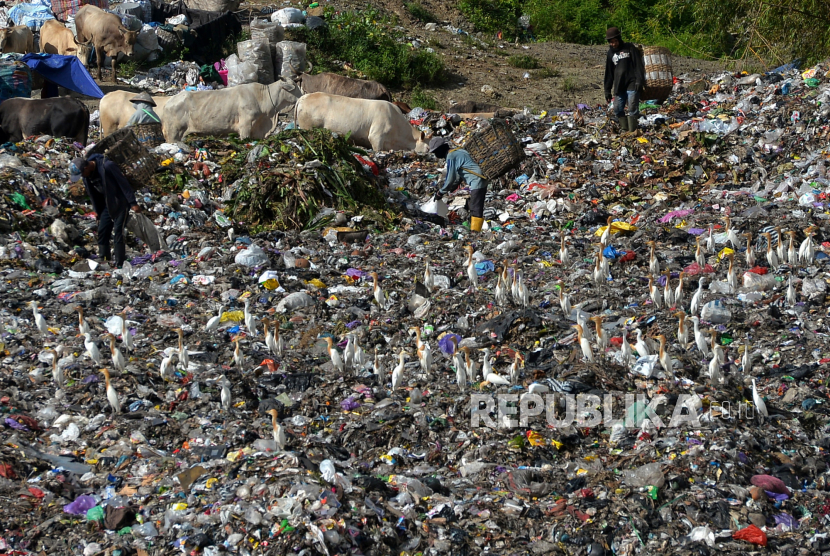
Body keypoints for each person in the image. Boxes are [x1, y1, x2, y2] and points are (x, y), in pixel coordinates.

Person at [69, 154, 141, 268]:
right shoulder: (87, 176)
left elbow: (123, 183)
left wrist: (133, 203)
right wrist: (97, 210)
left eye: (82, 173)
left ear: (86, 168)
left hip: (120, 202)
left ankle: (120, 262)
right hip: (107, 205)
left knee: (118, 231)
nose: (82, 176)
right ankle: (104, 257)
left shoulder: (107, 166)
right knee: (102, 229)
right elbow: (93, 194)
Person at [430, 137, 489, 233]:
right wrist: (452, 187)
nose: (436, 155)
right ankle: (475, 229)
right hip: (480, 178)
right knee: (473, 204)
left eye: (436, 152)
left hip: (476, 180)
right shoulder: (458, 151)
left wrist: (441, 192)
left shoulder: (451, 156)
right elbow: (458, 175)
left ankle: (475, 232)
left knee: (475, 207)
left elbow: (450, 177)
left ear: (441, 149)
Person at [603, 27, 645, 133]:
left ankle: (633, 130)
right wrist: (607, 91)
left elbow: (638, 65)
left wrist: (640, 81)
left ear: (619, 39)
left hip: (632, 82)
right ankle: (624, 128)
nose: (614, 44)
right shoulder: (610, 54)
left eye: (615, 41)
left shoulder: (629, 48)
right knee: (617, 108)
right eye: (611, 42)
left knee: (632, 107)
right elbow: (609, 73)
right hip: (619, 85)